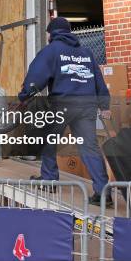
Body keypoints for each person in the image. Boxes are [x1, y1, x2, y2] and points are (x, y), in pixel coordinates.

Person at [18, 17, 112, 206]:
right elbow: (98, 80)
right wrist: (105, 105)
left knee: (48, 141)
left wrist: (25, 95)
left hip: (63, 104)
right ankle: (103, 192)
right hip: (87, 106)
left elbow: (37, 75)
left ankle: (49, 180)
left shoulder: (52, 51)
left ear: (52, 33)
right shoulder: (86, 53)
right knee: (89, 147)